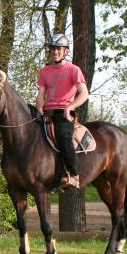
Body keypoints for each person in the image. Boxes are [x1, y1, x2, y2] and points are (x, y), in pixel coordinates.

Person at [36, 34, 89, 188]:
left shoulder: (73, 70)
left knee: (62, 135)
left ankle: (73, 174)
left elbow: (84, 93)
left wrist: (70, 107)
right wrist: (39, 107)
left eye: (58, 48)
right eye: (53, 48)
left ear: (66, 51)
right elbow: (41, 94)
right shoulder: (45, 71)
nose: (55, 52)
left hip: (64, 112)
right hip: (47, 111)